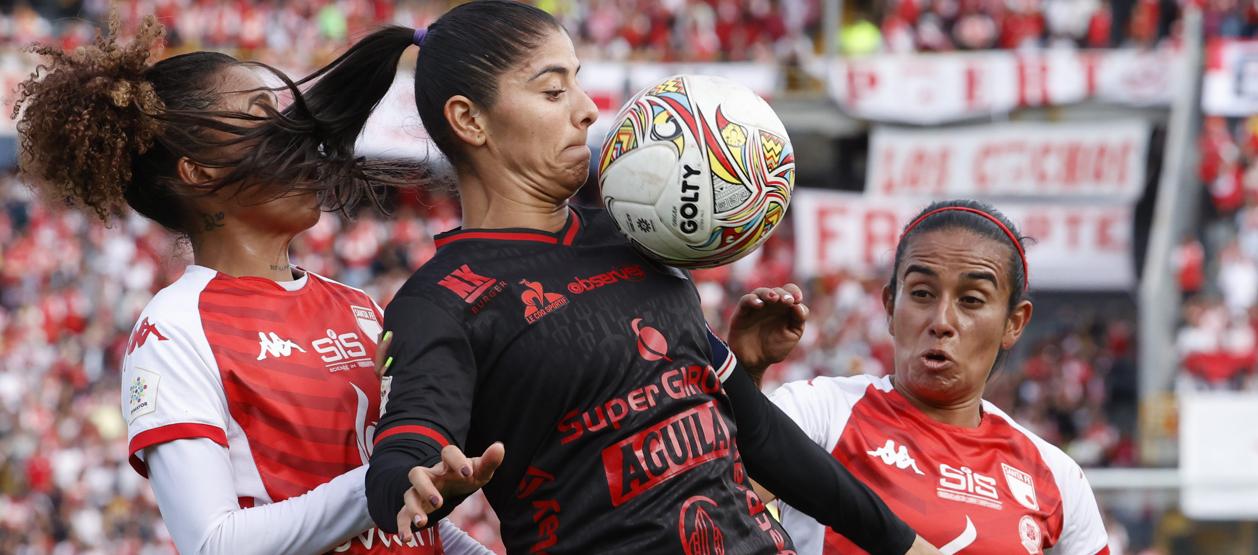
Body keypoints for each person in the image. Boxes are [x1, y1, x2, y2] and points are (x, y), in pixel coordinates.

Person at [270, 2, 937, 553]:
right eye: (554, 90)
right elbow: (408, 438)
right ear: (469, 121)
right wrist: (410, 481)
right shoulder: (439, 299)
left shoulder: (635, 241)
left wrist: (903, 543)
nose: (588, 109)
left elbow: (755, 429)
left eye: (580, 83)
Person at [13, 15, 490, 555]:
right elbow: (214, 543)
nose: (296, 134)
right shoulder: (172, 330)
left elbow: (404, 525)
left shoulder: (357, 306)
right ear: (200, 173)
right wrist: (380, 481)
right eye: (260, 117)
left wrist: (424, 495)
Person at [737, 200, 1110, 554]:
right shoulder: (819, 411)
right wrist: (744, 377)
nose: (942, 322)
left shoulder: (1056, 476)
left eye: (972, 300)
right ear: (889, 307)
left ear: (1013, 324)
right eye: (921, 293)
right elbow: (711, 506)